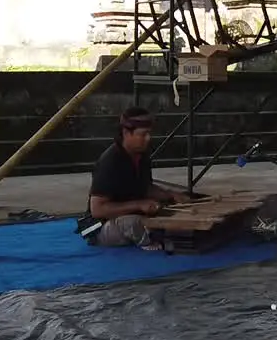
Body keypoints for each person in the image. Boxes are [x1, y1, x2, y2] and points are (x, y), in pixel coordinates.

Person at [76, 107, 191, 250]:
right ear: (126, 133)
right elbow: (97, 209)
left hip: (129, 215)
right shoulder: (110, 162)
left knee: (170, 208)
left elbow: (145, 188)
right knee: (134, 222)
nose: (148, 138)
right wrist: (138, 205)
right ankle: (150, 241)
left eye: (149, 133)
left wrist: (171, 195)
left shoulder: (142, 155)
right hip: (102, 226)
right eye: (143, 134)